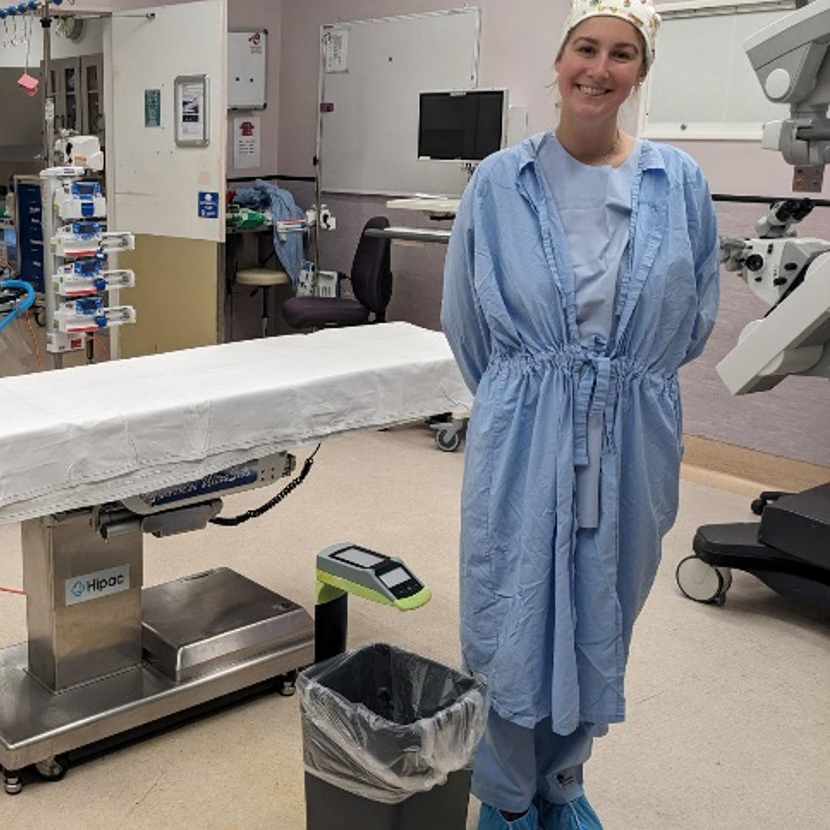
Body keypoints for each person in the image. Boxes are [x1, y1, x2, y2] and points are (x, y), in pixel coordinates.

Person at [441, 1, 720, 828]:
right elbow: (466, 320)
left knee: (603, 605)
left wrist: (616, 386)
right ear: (560, 62)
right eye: (585, 49)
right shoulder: (500, 181)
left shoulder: (680, 183)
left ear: (641, 73)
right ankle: (502, 794)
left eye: (622, 54)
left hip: (633, 431)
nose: (600, 69)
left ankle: (563, 780)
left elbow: (694, 313)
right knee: (512, 607)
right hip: (525, 427)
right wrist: (533, 397)